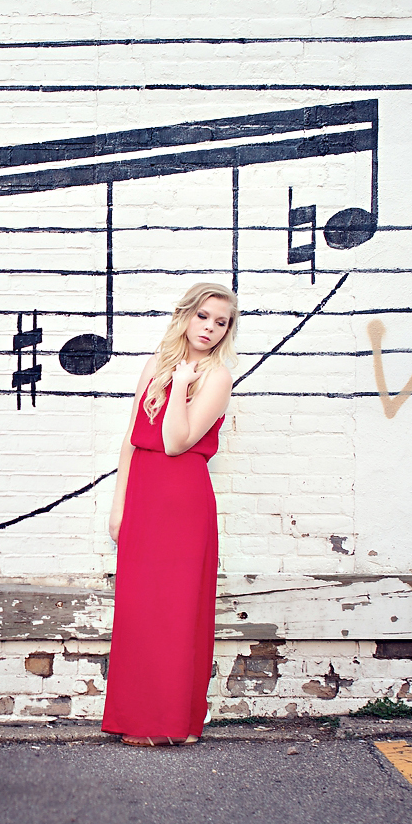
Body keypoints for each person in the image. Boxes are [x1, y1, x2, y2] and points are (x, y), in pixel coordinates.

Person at [102, 282, 238, 746]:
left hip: (182, 501)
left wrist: (181, 385)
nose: (210, 329)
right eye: (204, 317)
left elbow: (176, 441)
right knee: (140, 610)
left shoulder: (217, 377)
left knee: (175, 612)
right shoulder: (156, 364)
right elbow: (131, 438)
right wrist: (119, 507)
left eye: (221, 323)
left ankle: (171, 723)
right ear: (186, 315)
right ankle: (138, 718)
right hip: (143, 493)